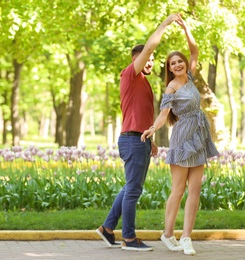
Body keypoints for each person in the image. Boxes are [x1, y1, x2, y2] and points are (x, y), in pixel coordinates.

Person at [96, 13, 181, 251]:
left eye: (153, 59)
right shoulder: (131, 74)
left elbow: (141, 114)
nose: (151, 61)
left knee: (130, 188)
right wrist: (164, 24)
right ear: (137, 59)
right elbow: (151, 45)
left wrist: (151, 138)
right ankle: (130, 239)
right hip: (131, 140)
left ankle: (107, 229)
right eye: (147, 58)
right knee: (133, 190)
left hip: (140, 139)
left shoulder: (144, 82)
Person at [141, 15, 219, 255]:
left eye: (179, 62)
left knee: (195, 188)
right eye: (172, 64)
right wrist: (153, 128)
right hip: (182, 138)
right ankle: (167, 234)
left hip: (199, 135)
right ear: (169, 68)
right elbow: (164, 115)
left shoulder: (191, 77)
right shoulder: (171, 87)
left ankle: (186, 237)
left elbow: (194, 50)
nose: (176, 65)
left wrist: (187, 29)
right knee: (178, 189)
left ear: (184, 64)